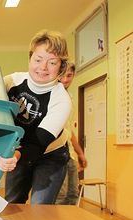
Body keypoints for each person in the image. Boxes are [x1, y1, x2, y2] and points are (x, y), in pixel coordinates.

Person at [0, 30, 72, 204]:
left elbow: (38, 142)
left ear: (61, 67)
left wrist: (14, 156)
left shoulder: (62, 100)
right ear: (30, 58)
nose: (43, 68)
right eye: (38, 60)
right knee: (12, 202)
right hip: (19, 148)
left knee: (40, 207)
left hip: (50, 155)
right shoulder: (12, 82)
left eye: (52, 62)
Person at [56, 62, 88, 205]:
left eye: (69, 75)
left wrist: (80, 153)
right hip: (56, 153)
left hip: (70, 153)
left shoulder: (70, 97)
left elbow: (69, 129)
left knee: (73, 194)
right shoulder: (53, 94)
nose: (65, 79)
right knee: (60, 195)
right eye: (62, 75)